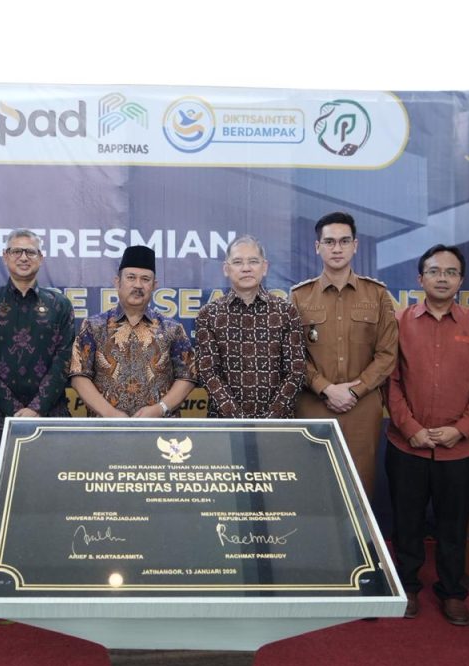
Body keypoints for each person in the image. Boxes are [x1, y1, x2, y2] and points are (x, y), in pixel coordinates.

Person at [386, 244, 469, 626]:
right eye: (434, 271)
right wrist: (411, 429)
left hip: (459, 450)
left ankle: (451, 592)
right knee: (407, 523)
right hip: (407, 446)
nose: (442, 278)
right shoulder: (398, 322)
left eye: (451, 272)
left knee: (453, 526)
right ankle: (408, 587)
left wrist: (460, 430)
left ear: (461, 280)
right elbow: (390, 383)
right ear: (420, 278)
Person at [0, 229, 74, 523]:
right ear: (5, 256)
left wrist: (36, 409)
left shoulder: (59, 304)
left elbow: (64, 361)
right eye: (16, 251)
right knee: (0, 501)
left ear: (41, 258)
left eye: (30, 252)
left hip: (49, 416)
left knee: (49, 498)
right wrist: (15, 411)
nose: (23, 257)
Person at [291, 212, 398, 498]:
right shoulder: (299, 296)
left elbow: (387, 354)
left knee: (357, 490)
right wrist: (325, 388)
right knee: (313, 490)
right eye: (329, 242)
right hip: (314, 405)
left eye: (344, 241)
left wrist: (354, 391)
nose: (337, 248)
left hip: (361, 408)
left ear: (355, 246)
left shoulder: (377, 294)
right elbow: (293, 355)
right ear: (318, 247)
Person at [70, 245, 196, 417]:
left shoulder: (172, 329)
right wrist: (111, 414)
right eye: (131, 277)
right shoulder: (93, 326)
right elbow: (78, 376)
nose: (138, 285)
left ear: (154, 285)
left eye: (145, 279)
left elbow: (188, 376)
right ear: (117, 282)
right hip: (105, 428)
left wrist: (160, 409)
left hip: (160, 427)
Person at [195, 235, 307, 418]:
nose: (246, 268)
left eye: (253, 261)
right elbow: (208, 372)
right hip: (225, 423)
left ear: (265, 267)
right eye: (238, 262)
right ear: (226, 269)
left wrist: (270, 419)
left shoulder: (286, 312)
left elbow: (296, 371)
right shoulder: (209, 315)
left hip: (277, 424)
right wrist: (238, 420)